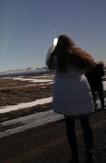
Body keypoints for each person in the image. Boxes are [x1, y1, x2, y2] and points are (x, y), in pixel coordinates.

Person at [46, 34, 95, 163]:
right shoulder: (79, 57)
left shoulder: (55, 59)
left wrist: (53, 48)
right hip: (81, 91)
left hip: (65, 96)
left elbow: (48, 61)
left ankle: (75, 156)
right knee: (86, 125)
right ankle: (90, 154)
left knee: (70, 127)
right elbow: (90, 62)